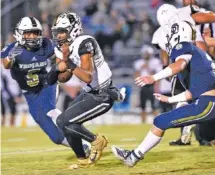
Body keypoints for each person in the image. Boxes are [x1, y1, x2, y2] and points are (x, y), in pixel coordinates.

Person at [111, 20, 215, 167]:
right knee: (208, 135)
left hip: (208, 104)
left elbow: (179, 65)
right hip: (208, 102)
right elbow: (193, 93)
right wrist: (171, 99)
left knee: (161, 121)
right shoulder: (198, 55)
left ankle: (133, 157)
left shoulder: (184, 47)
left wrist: (153, 77)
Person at [47, 12, 125, 169]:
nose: (59, 35)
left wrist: (67, 62)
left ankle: (97, 141)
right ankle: (83, 160)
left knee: (64, 121)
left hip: (102, 93)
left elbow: (88, 76)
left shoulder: (85, 42)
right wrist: (57, 69)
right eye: (58, 31)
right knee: (64, 123)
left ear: (74, 29)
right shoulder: (60, 48)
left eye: (63, 31)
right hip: (88, 92)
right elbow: (63, 78)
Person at [1, 16, 71, 147]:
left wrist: (61, 63)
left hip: (47, 84)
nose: (32, 37)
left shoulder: (47, 44)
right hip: (29, 93)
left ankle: (85, 134)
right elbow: (6, 65)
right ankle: (83, 147)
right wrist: (10, 57)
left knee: (48, 108)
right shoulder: (13, 49)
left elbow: (62, 56)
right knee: (55, 136)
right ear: (20, 34)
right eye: (28, 33)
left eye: (35, 33)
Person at [152, 3, 215, 146]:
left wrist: (164, 68)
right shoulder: (186, 14)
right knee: (203, 99)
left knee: (184, 99)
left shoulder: (159, 33)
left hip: (180, 66)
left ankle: (186, 131)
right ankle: (201, 134)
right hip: (200, 61)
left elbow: (163, 52)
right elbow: (208, 19)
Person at [133, 45, 160, 122]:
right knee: (142, 106)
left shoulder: (155, 62)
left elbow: (156, 75)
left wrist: (147, 67)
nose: (146, 55)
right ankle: (143, 122)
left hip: (151, 85)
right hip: (143, 85)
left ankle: (157, 122)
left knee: (154, 106)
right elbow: (136, 74)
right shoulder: (139, 63)